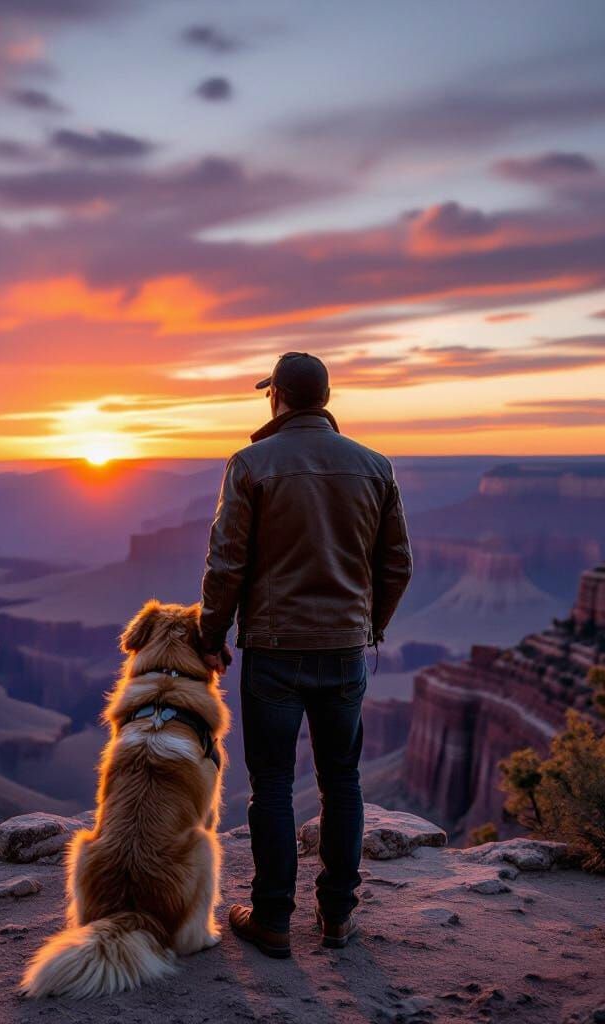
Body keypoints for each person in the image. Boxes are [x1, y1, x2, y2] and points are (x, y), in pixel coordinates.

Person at [198, 351, 412, 958]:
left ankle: (271, 920)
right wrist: (366, 626)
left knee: (271, 784)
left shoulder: (250, 464)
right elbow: (397, 564)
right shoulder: (374, 466)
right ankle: (338, 917)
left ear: (278, 398)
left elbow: (226, 564)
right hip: (345, 650)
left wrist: (212, 638)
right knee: (342, 781)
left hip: (273, 650)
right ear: (323, 397)